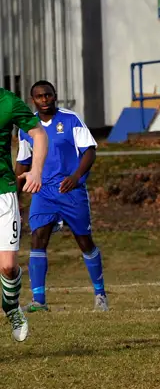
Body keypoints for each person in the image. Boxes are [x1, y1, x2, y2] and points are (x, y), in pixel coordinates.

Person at [14, 81, 106, 312]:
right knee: (37, 239)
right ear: (32, 99)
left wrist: (76, 177)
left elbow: (90, 151)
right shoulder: (27, 127)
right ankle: (38, 301)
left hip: (70, 191)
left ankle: (100, 295)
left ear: (55, 96)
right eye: (39, 97)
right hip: (43, 191)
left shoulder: (71, 119)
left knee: (84, 242)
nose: (44, 100)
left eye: (48, 95)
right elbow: (23, 162)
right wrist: (12, 196)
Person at [0, 87, 48, 341]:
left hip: (3, 193)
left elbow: (39, 134)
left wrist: (36, 170)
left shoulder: (7, 102)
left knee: (8, 267)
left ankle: (11, 307)